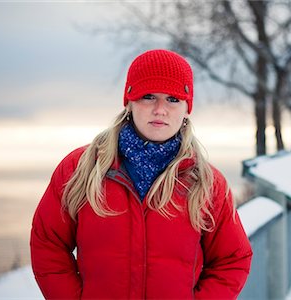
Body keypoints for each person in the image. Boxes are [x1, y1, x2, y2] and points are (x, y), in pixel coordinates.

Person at [30, 49, 253, 299]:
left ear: (187, 108)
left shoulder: (206, 183)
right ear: (129, 101)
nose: (160, 109)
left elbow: (233, 259)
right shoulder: (80, 169)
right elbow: (48, 244)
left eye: (173, 99)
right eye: (148, 96)